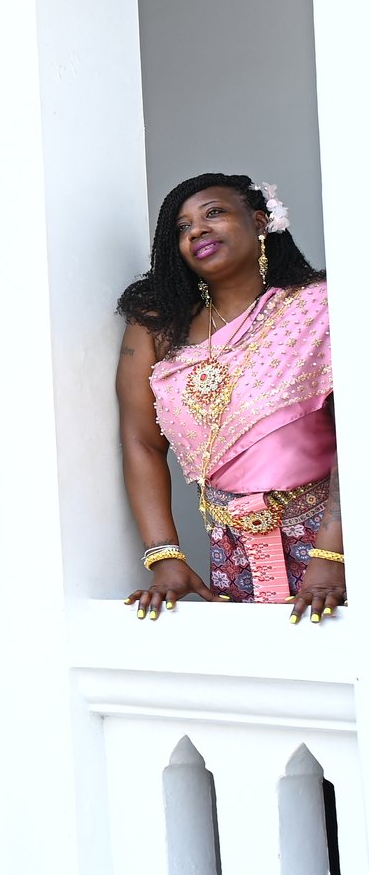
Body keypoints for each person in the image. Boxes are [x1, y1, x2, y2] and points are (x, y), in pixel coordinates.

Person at [118, 173, 341, 622]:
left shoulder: (321, 307)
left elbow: (356, 437)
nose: (196, 230)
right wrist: (165, 557)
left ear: (260, 221)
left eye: (213, 213)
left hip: (335, 556)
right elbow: (140, 440)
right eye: (182, 227)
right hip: (233, 562)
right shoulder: (159, 329)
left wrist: (333, 556)